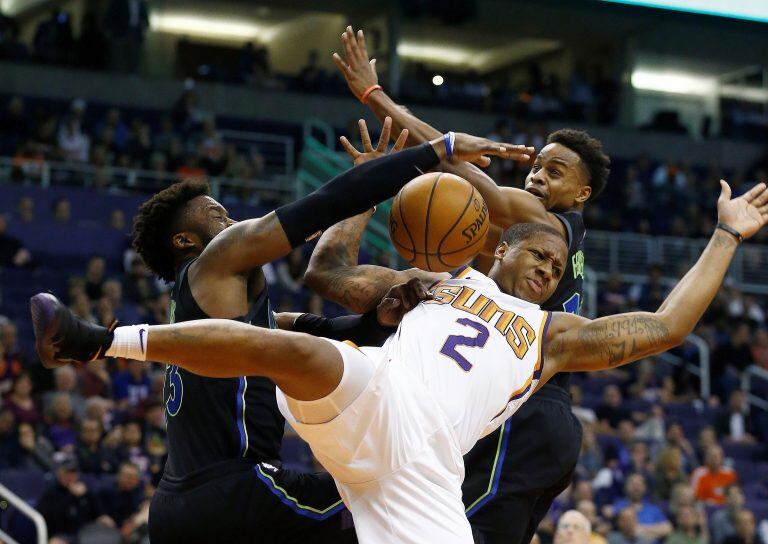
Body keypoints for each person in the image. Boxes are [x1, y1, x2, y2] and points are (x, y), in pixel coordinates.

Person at [32, 180, 768, 542]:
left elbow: (668, 325)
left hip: (425, 476)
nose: (548, 269)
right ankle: (99, 339)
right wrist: (369, 190)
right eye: (537, 253)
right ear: (497, 246)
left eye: (557, 264)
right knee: (291, 349)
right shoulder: (436, 283)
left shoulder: (556, 336)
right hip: (376, 401)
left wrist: (726, 237)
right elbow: (327, 271)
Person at [32, 125, 521, 543]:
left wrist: (379, 321)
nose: (233, 221)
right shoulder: (215, 262)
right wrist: (439, 149)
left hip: (176, 506)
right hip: (237, 490)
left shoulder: (216, 315)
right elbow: (321, 205)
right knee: (389, 497)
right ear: (187, 241)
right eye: (218, 217)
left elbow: (319, 333)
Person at [330, 25, 610, 544]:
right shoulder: (525, 243)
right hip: (529, 416)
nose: (538, 177)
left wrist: (377, 98)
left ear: (582, 192)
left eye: (556, 171)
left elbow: (451, 164)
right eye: (538, 166)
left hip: (524, 410)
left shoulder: (550, 226)